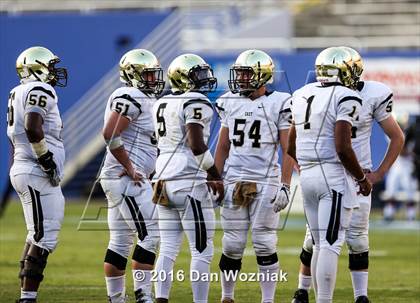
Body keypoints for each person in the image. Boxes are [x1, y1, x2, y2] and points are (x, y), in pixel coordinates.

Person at [291, 46, 405, 303]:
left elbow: (396, 136)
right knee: (318, 240)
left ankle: (360, 296)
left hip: (353, 174)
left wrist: (377, 174)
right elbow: (302, 141)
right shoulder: (322, 95)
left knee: (356, 238)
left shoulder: (373, 94)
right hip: (336, 175)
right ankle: (303, 291)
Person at [288, 47, 372, 303]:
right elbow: (343, 147)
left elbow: (290, 145)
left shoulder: (301, 93)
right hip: (331, 175)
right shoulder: (346, 95)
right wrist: (361, 178)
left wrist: (307, 168)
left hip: (308, 175)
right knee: (330, 244)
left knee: (318, 242)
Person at [214, 49, 294, 303]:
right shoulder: (229, 101)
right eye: (240, 73)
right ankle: (227, 296)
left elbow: (287, 148)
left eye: (246, 74)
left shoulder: (280, 102)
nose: (241, 79)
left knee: (265, 242)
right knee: (232, 244)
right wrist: (214, 178)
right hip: (234, 180)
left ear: (262, 75)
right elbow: (223, 146)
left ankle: (267, 300)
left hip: (265, 180)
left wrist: (285, 185)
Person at [152, 53, 224, 303]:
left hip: (163, 178)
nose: (204, 80)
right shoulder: (196, 101)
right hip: (187, 179)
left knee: (168, 247)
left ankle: (161, 298)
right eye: (198, 75)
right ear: (184, 78)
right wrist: (215, 175)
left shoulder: (161, 102)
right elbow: (196, 145)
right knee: (202, 250)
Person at [99, 49, 164, 303]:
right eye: (148, 75)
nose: (153, 79)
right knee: (152, 233)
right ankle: (143, 295)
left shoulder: (141, 98)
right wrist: (129, 166)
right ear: (133, 75)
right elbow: (110, 133)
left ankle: (116, 298)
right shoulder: (130, 95)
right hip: (125, 178)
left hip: (126, 177)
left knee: (121, 241)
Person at [7, 46, 68, 303]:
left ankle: (26, 296)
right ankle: (27, 297)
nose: (54, 72)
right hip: (35, 169)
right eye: (50, 66)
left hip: (24, 166)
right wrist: (46, 159)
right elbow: (33, 127)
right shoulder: (40, 89)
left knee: (37, 234)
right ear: (36, 67)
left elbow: (17, 135)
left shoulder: (16, 92)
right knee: (45, 236)